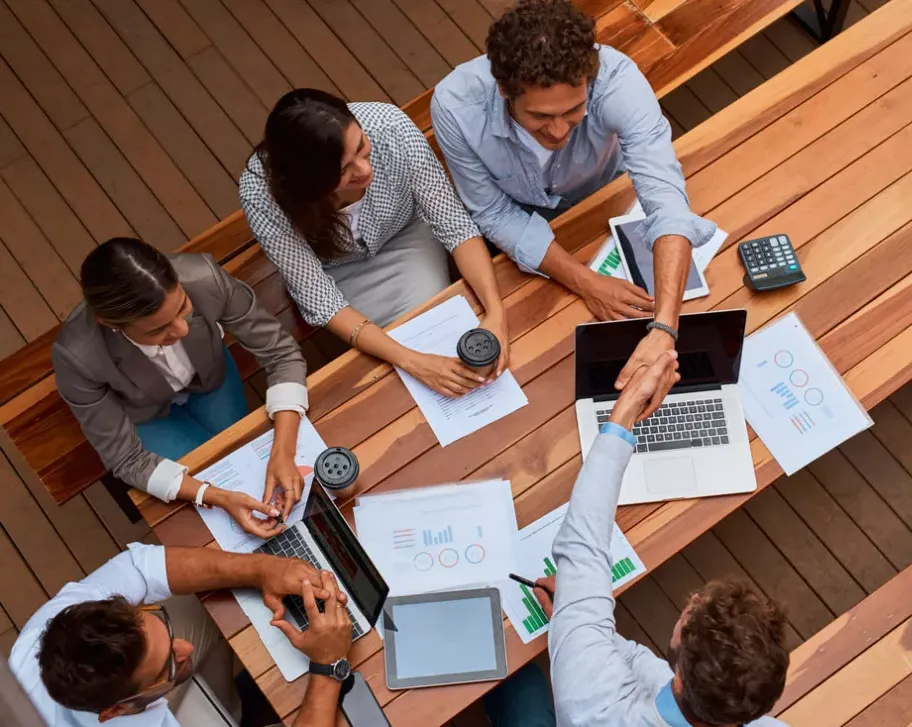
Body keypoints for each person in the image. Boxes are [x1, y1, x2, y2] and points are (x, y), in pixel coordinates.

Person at [431, 0, 715, 405]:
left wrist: (665, 328)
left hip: (604, 201)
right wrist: (586, 282)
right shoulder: (455, 107)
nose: (559, 129)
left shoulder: (617, 79)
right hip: (522, 229)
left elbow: (666, 198)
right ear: (503, 91)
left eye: (575, 109)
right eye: (541, 117)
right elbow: (492, 212)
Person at [488, 352, 791, 727]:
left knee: (517, 682)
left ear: (681, 675)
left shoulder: (594, 703)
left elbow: (583, 545)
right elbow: (645, 670)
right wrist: (577, 625)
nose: (694, 599)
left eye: (692, 614)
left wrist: (626, 409)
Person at [241, 89, 510, 399]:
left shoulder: (390, 127)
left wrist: (496, 312)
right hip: (336, 273)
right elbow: (322, 301)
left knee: (440, 333)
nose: (364, 169)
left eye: (362, 149)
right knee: (403, 373)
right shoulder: (260, 194)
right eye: (343, 170)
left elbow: (454, 225)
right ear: (308, 182)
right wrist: (414, 362)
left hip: (405, 236)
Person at [53, 238, 311, 536]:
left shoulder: (204, 278)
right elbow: (127, 459)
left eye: (183, 307)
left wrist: (283, 450)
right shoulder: (78, 357)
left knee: (249, 458)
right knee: (220, 480)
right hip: (145, 413)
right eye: (158, 330)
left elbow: (280, 353)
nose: (182, 329)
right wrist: (215, 496)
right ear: (110, 323)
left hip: (209, 377)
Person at [8, 544, 351, 726]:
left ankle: (232, 706)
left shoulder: (58, 626)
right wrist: (328, 666)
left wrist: (263, 569)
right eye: (165, 666)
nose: (184, 646)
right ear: (115, 711)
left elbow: (139, 566)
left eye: (166, 633)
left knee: (200, 598)